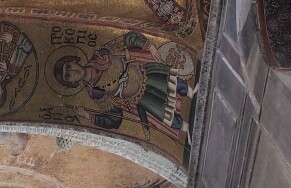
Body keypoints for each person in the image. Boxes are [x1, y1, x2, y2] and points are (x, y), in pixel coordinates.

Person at [53, 33, 194, 143]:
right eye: (68, 75)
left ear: (75, 60)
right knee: (164, 113)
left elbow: (127, 38)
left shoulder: (100, 55)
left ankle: (193, 92)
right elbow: (114, 119)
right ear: (72, 83)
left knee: (172, 81)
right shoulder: (95, 92)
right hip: (140, 96)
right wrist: (88, 116)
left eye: (69, 66)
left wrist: (148, 46)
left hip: (143, 72)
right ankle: (187, 130)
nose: (73, 71)